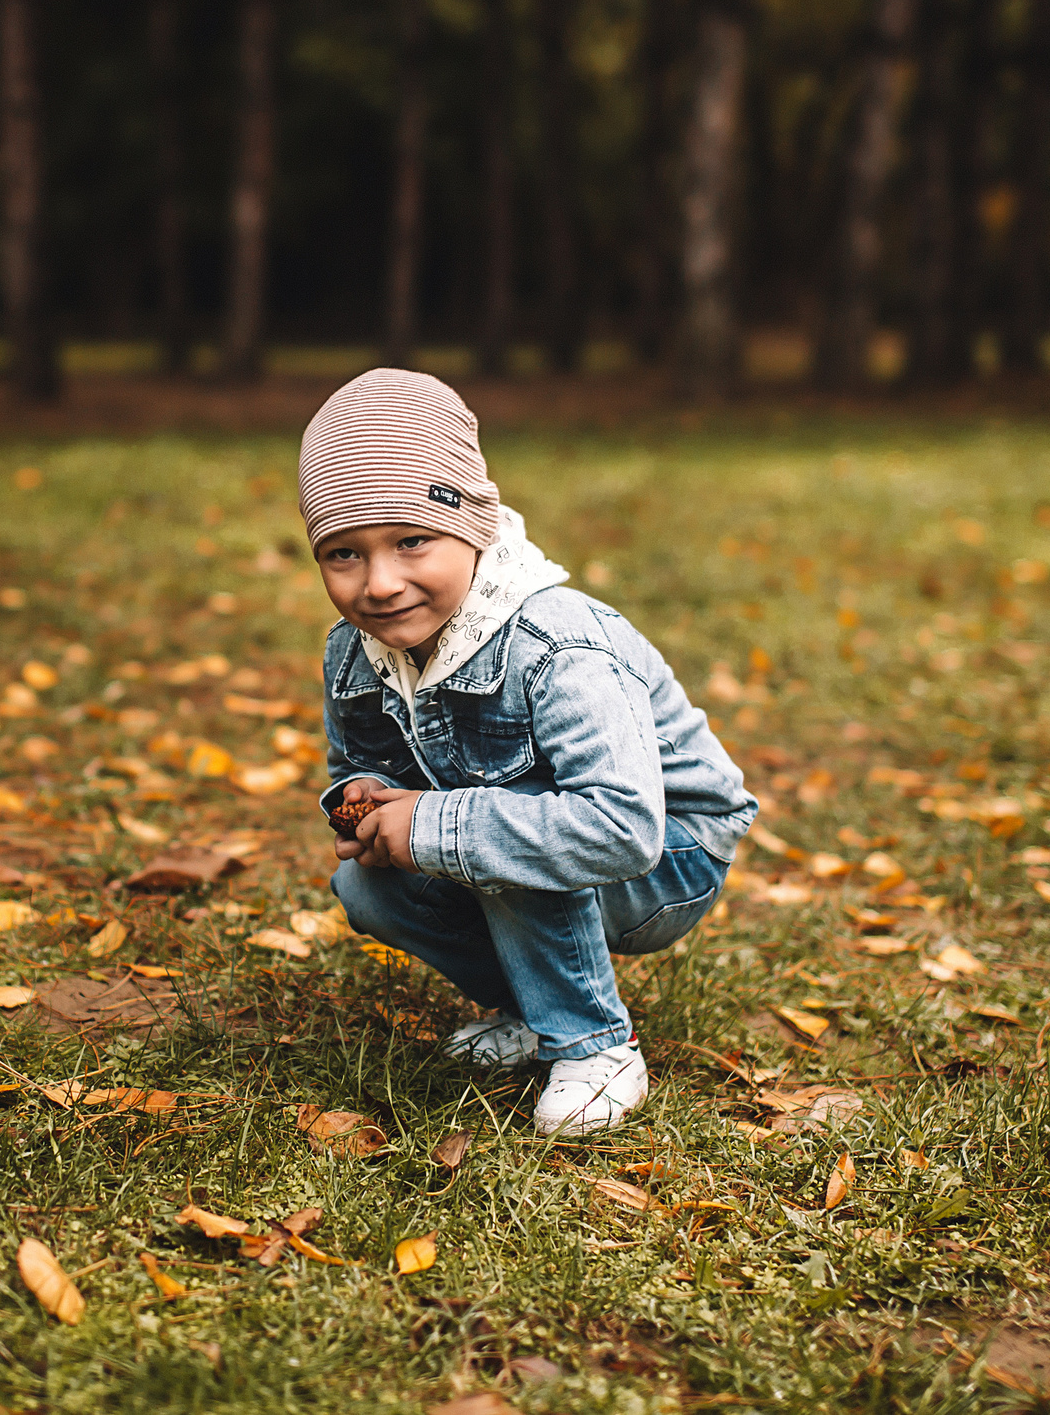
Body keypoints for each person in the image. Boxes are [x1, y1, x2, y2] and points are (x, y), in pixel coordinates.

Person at [303, 369, 759, 1137]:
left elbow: (621, 827)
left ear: (474, 524)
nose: (379, 583)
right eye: (343, 553)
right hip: (544, 829)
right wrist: (370, 797)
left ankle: (596, 1046)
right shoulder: (354, 651)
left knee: (499, 841)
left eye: (412, 541)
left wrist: (437, 825)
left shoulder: (556, 643)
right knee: (369, 887)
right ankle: (532, 1006)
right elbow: (362, 761)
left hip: (669, 851)